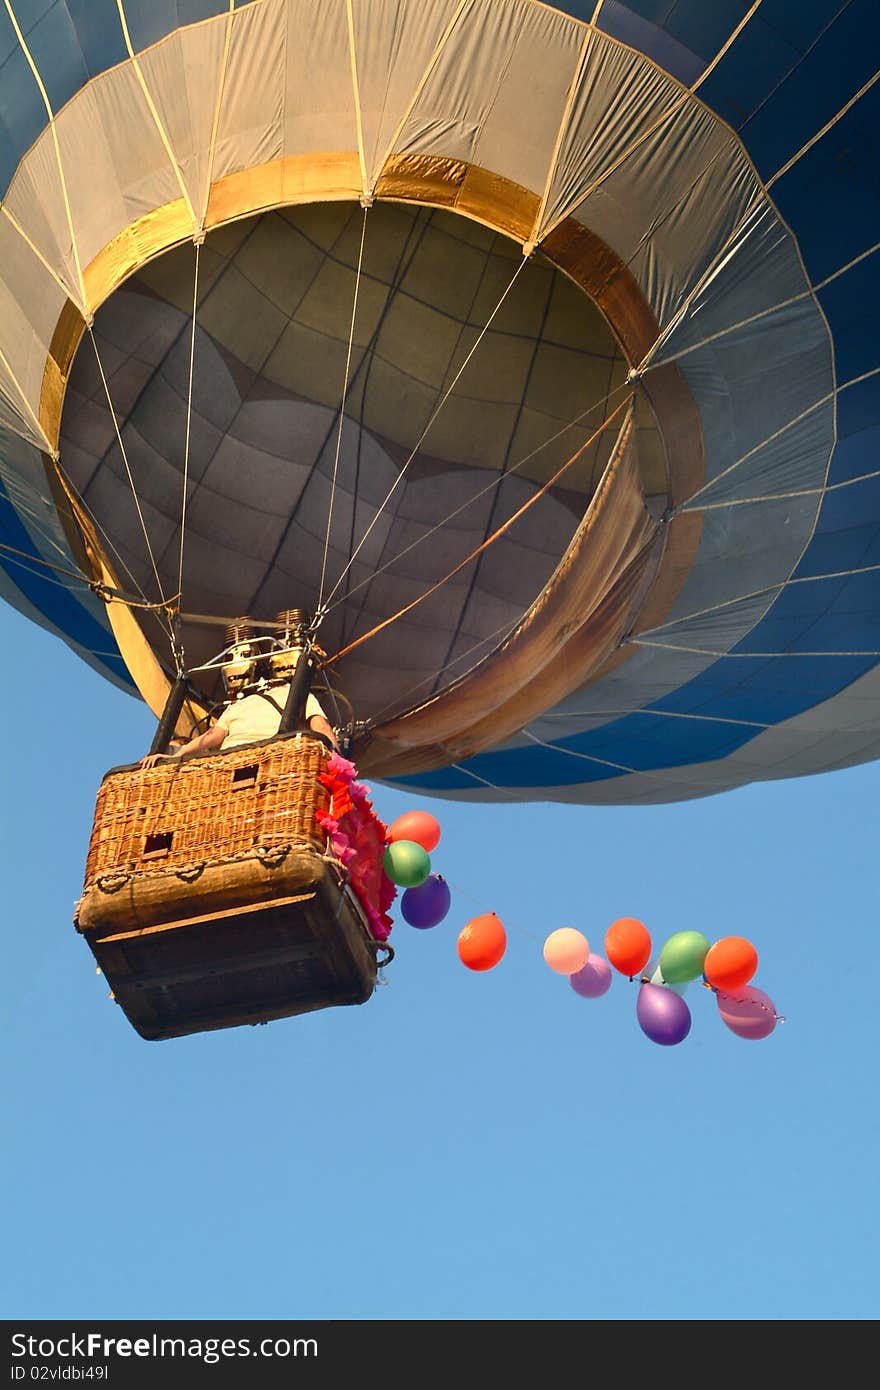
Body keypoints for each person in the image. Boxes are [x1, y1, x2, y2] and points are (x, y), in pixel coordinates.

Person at [140, 680, 337, 768]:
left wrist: (177, 754)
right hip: (278, 763)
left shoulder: (238, 705)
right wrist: (339, 766)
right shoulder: (300, 695)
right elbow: (321, 728)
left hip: (229, 764)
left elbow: (211, 737)